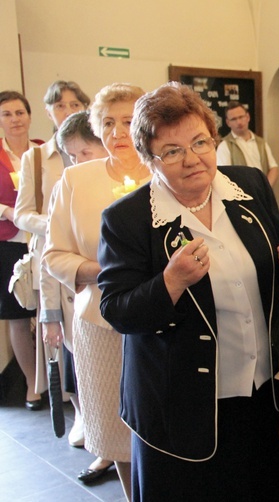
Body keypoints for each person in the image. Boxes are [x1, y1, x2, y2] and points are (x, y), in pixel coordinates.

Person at [96, 82, 279, 501]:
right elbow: (117, 310)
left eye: (200, 142)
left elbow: (275, 264)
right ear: (148, 159)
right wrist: (171, 282)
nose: (192, 159)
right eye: (172, 151)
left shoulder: (247, 186)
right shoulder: (129, 218)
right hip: (182, 405)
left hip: (261, 392)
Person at [43, 83, 150, 500]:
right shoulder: (75, 180)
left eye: (127, 121)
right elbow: (54, 254)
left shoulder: (165, 173)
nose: (118, 132)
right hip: (99, 322)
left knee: (161, 422)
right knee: (115, 429)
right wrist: (103, 270)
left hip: (160, 318)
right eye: (107, 122)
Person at [14, 81, 90, 421]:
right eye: (60, 106)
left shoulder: (98, 150)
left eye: (75, 104)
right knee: (66, 339)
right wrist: (56, 223)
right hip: (55, 257)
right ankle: (80, 412)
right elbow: (21, 214)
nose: (68, 111)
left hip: (90, 251)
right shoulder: (35, 158)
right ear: (48, 112)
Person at [50, 110, 116, 485]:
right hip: (95, 309)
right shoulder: (73, 184)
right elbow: (55, 252)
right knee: (105, 406)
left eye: (83, 153)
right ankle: (108, 453)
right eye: (71, 157)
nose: (77, 163)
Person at [0, 90, 43, 410]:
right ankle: (31, 383)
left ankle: (53, 378)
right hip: (10, 242)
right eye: (7, 114)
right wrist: (7, 210)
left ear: (29, 116)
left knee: (48, 312)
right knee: (18, 315)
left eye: (19, 112)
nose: (15, 119)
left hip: (43, 239)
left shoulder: (43, 151)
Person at [216, 100, 279, 186]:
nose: (239, 122)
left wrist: (266, 188)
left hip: (262, 193)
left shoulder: (261, 142)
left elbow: (273, 168)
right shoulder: (225, 146)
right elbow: (224, 176)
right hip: (241, 195)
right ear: (228, 122)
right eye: (234, 119)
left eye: (241, 117)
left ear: (248, 117)